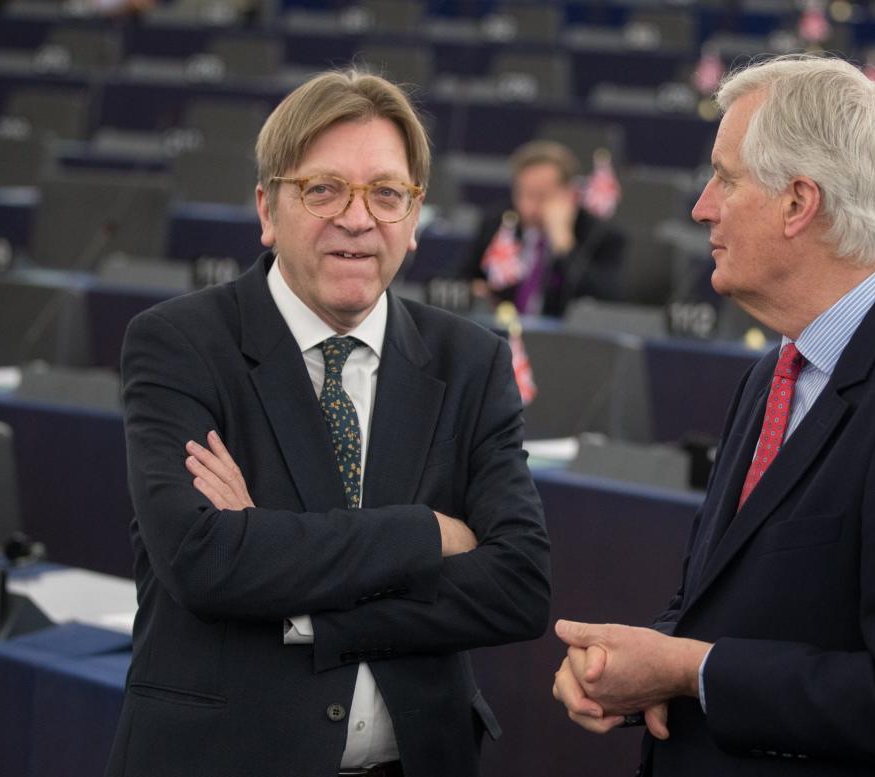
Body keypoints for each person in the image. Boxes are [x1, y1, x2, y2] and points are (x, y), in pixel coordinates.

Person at [551, 53, 875, 776]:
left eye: (726, 177)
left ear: (798, 203)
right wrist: (634, 669)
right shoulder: (773, 370)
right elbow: (725, 607)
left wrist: (689, 669)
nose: (701, 206)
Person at [107, 69, 551, 777]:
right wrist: (428, 532)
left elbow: (520, 586)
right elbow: (203, 558)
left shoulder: (473, 362)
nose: (357, 216)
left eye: (385, 192)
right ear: (266, 207)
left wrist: (291, 584)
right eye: (323, 188)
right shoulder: (179, 343)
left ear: (413, 218)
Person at [463, 139, 625, 317]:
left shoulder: (601, 235)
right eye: (521, 193)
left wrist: (564, 244)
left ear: (570, 194)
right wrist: (474, 290)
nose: (527, 206)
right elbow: (458, 278)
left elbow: (606, 301)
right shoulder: (499, 223)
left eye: (540, 196)